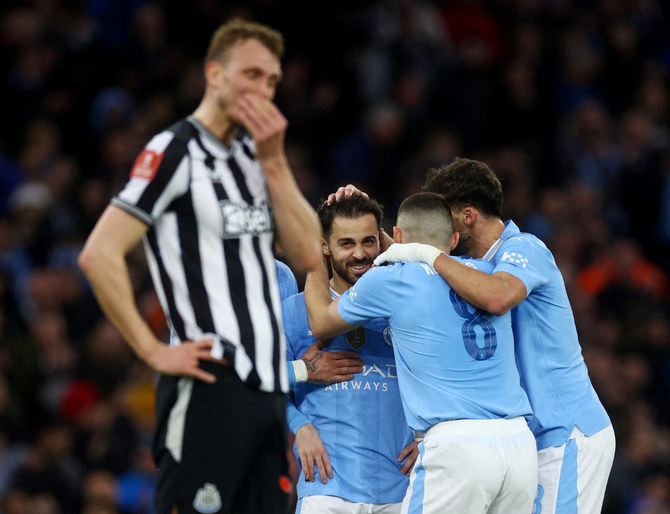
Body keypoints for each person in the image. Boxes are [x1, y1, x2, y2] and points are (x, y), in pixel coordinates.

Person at [77, 18, 323, 514]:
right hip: (208, 385)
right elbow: (98, 253)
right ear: (215, 75)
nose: (264, 90)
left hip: (266, 391)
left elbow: (309, 257)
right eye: (252, 75)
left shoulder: (255, 160)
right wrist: (150, 350)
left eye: (272, 80)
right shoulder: (175, 150)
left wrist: (275, 164)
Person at [375, 158, 616, 514]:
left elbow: (498, 297)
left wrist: (424, 253)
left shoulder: (523, 249)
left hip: (565, 434)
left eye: (444, 214)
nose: (437, 227)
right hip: (519, 441)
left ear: (468, 216)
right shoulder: (468, 271)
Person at [304, 192, 538, 514]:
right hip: (520, 447)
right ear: (454, 239)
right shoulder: (486, 273)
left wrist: (314, 259)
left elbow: (319, 322)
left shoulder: (389, 281)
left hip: (457, 446)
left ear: (395, 236)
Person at [283, 195, 418, 513]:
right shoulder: (293, 310)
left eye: (368, 241)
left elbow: (443, 373)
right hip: (327, 490)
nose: (360, 254)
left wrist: (430, 434)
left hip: (401, 487)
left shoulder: (405, 307)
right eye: (346, 243)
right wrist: (299, 425)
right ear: (324, 247)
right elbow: (257, 379)